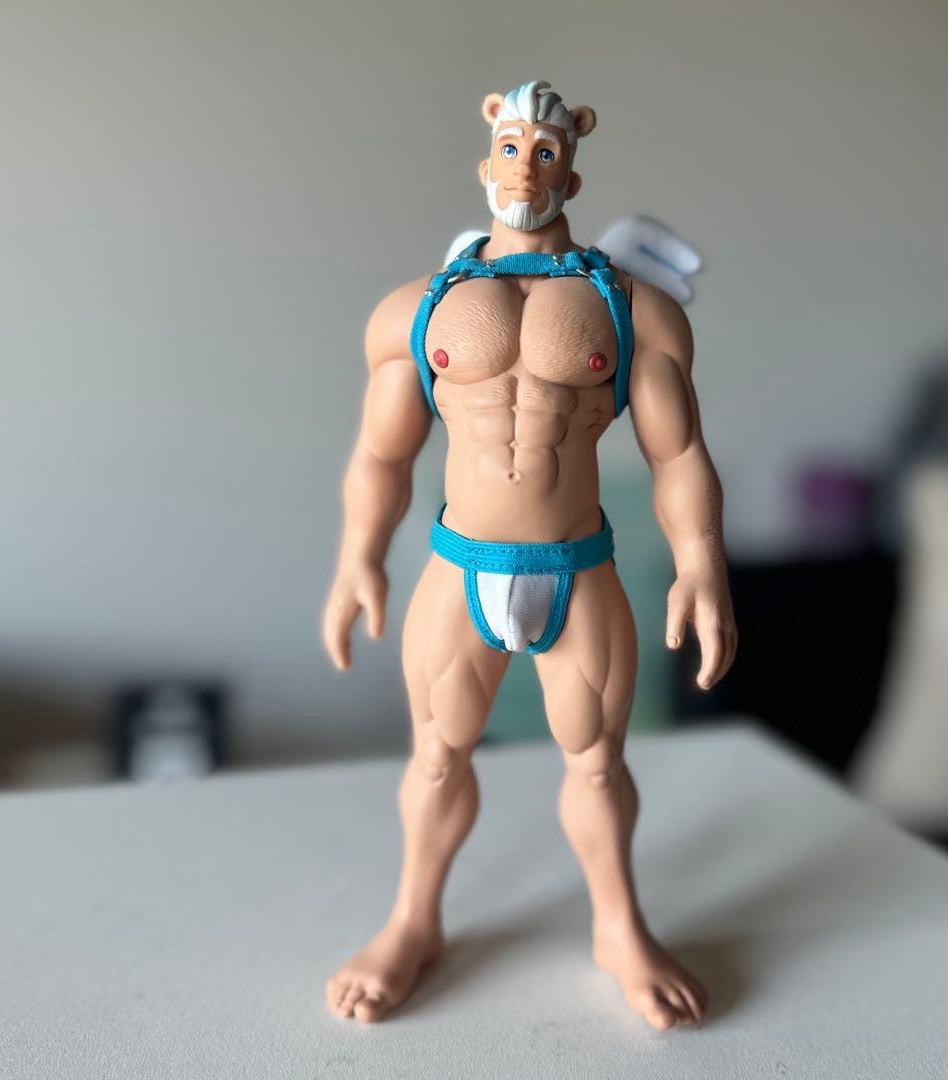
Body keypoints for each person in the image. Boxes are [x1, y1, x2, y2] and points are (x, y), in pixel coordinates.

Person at [322, 80, 736, 1030]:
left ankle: (618, 928)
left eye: (545, 151)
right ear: (487, 161)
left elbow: (678, 455)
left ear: (571, 172)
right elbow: (381, 453)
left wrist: (701, 563)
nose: (525, 168)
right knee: (437, 757)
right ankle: (414, 921)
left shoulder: (633, 309)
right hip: (459, 569)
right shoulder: (417, 310)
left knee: (597, 764)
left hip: (577, 573)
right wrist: (358, 558)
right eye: (512, 148)